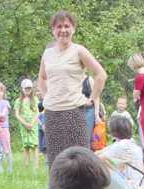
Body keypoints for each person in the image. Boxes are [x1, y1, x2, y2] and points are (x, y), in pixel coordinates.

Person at [38, 10, 107, 168]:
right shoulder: (47, 54)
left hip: (74, 113)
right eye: (59, 26)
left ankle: (83, 186)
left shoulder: (79, 50)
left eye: (67, 26)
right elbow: (41, 78)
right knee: (55, 163)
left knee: (79, 162)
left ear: (73, 29)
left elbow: (101, 75)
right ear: (53, 30)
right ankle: (59, 186)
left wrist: (92, 98)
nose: (63, 30)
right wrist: (46, 96)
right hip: (52, 114)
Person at [96, 116, 144, 189]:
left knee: (98, 165)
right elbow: (100, 152)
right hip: (138, 185)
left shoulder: (122, 145)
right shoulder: (130, 142)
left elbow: (97, 158)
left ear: (114, 131)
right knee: (106, 161)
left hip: (130, 188)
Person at [14, 78, 40, 169]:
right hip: (24, 126)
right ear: (22, 89)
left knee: (35, 145)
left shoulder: (35, 99)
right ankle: (26, 165)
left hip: (33, 125)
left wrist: (32, 123)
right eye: (26, 88)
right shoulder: (18, 101)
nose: (28, 90)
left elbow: (38, 112)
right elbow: (17, 114)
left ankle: (36, 166)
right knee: (26, 146)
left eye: (29, 88)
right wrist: (25, 123)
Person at [0, 81, 14, 174]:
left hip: (3, 129)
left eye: (0, 91)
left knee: (7, 149)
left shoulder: (5, 103)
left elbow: (3, 115)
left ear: (3, 92)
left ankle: (10, 168)